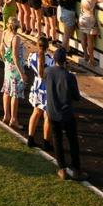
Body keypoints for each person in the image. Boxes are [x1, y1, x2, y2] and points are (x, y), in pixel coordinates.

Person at [44, 49, 83, 181]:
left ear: (54, 59)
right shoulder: (70, 76)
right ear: (65, 60)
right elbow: (76, 97)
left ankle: (62, 169)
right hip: (67, 113)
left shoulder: (48, 72)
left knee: (57, 141)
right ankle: (77, 170)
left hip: (53, 112)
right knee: (73, 142)